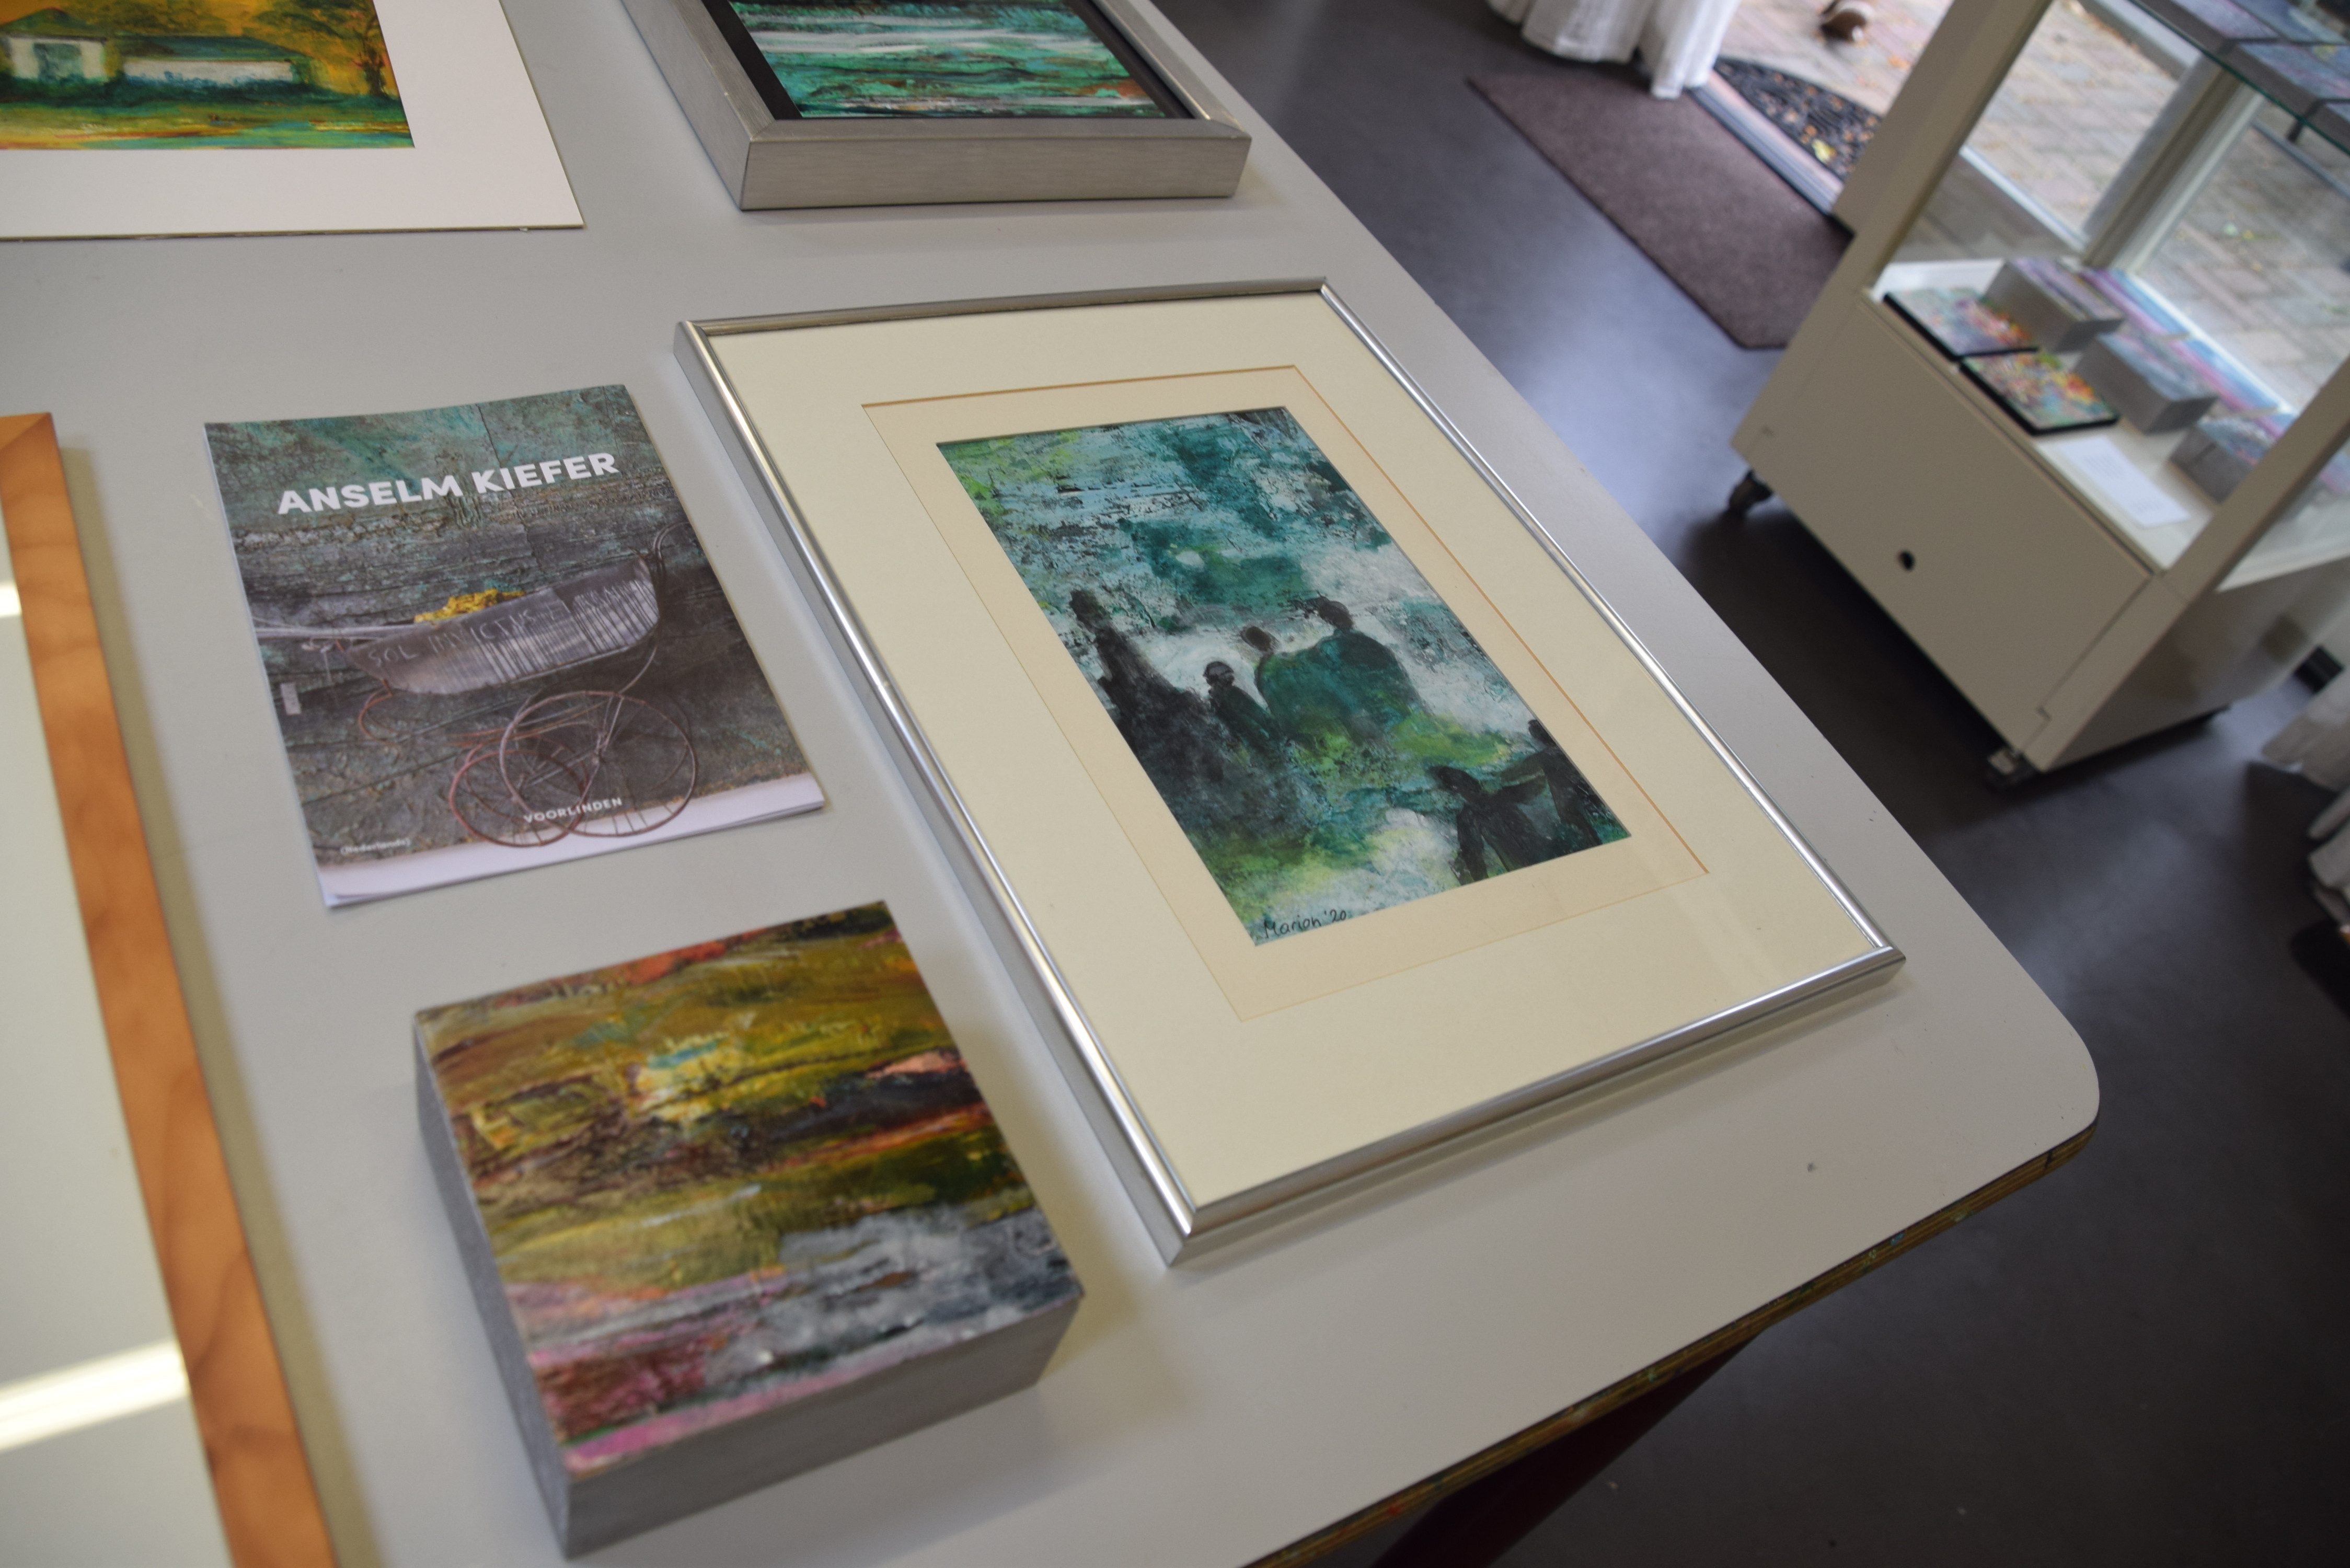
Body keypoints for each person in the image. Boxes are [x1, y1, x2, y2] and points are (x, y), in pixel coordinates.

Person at [1301, 597, 1419, 740]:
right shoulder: (1373, 642)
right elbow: (1399, 675)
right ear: (1349, 616)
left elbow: (1334, 684)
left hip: (1374, 710)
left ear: (1327, 621)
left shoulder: (1329, 646)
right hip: (1397, 706)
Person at [1499, 719, 1621, 852]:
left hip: (1570, 800)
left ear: (1538, 739)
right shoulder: (1570, 749)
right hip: (1590, 791)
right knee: (1607, 818)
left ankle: (1599, 847)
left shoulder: (1544, 757)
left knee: (1581, 823)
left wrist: (1496, 775)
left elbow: (1515, 773)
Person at [1430, 764, 1549, 881]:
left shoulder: (1467, 817)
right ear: (1474, 782)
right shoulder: (1501, 795)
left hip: (1522, 864)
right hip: (1540, 850)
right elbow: (1537, 787)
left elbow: (1474, 858)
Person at [1204, 660, 1287, 766]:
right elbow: (1260, 717)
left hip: (1256, 746)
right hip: (1255, 745)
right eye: (1225, 677)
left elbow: (1259, 716)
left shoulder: (1228, 696)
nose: (1230, 679)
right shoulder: (1224, 698)